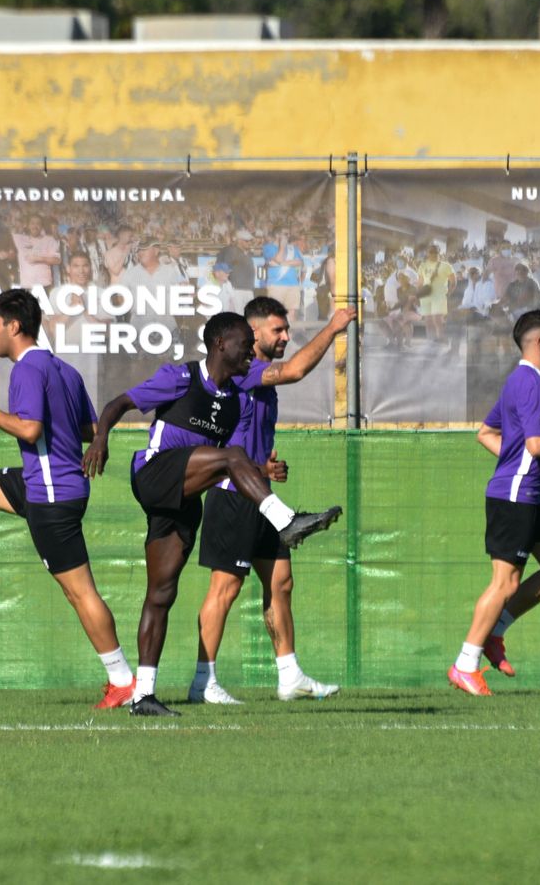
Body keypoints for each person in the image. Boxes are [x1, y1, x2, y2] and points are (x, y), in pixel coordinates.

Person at [84, 312, 343, 716]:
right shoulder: (181, 378)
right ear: (221, 344)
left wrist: (263, 472)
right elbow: (119, 403)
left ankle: (143, 695)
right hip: (154, 474)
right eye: (244, 343)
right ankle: (286, 521)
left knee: (161, 593)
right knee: (232, 458)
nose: (249, 352)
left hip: (185, 495)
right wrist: (100, 438)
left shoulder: (236, 400)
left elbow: (231, 464)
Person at [0, 290, 136, 710]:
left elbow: (31, 430)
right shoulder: (64, 369)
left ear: (13, 327)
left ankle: (122, 679)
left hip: (53, 496)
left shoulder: (27, 370)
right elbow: (89, 429)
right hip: (47, 482)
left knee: (80, 594)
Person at [189, 299, 358, 705]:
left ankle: (290, 676)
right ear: (254, 332)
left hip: (259, 494)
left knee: (281, 583)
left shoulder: (257, 380)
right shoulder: (244, 369)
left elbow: (241, 435)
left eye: (287, 331)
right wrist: (334, 327)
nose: (285, 337)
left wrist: (265, 467)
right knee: (225, 588)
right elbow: (296, 370)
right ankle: (202, 682)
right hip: (232, 496)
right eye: (278, 330)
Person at [449, 310, 540, 697]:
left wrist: (517, 464)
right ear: (539, 342)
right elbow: (536, 445)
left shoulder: (521, 382)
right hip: (514, 497)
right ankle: (465, 664)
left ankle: (494, 632)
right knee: (505, 582)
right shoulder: (530, 385)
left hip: (528, 493)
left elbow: (486, 433)